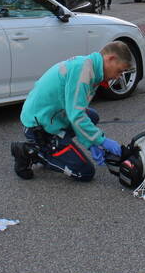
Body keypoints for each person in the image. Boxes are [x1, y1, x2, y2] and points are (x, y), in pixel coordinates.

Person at [10, 41, 131, 182]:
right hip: (38, 126)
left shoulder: (90, 67)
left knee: (91, 116)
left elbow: (76, 111)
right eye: (119, 71)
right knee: (85, 173)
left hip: (52, 117)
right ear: (111, 59)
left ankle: (56, 145)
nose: (118, 77)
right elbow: (76, 116)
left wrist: (91, 143)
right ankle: (30, 151)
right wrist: (100, 140)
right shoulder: (83, 72)